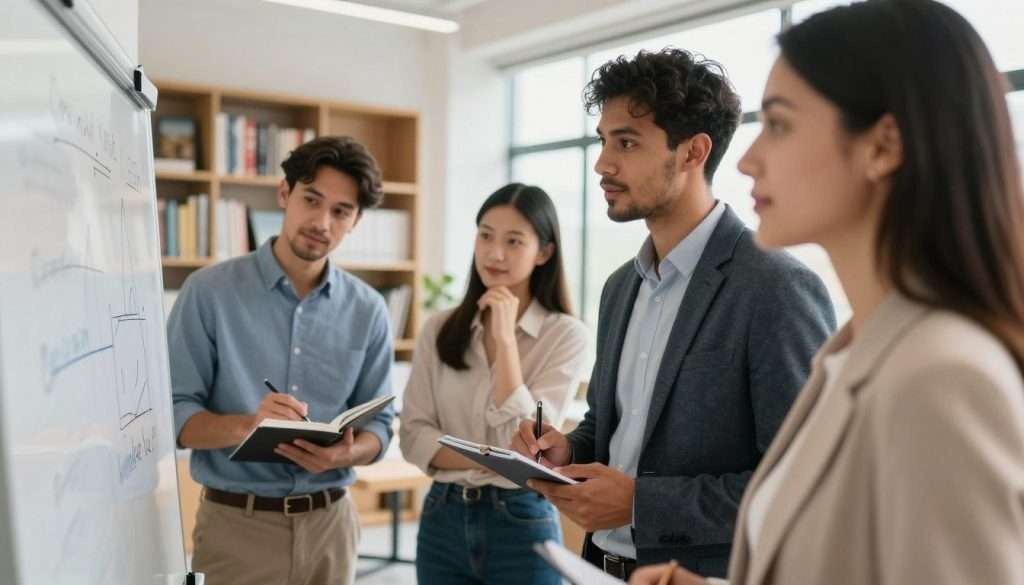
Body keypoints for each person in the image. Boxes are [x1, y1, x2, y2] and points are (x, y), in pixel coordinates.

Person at [630, 2, 1024, 584]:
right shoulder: (852, 351)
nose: (747, 158)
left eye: (781, 124)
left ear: (883, 146)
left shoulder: (942, 377)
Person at [511, 48, 835, 578]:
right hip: (599, 565)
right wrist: (566, 450)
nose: (603, 163)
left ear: (692, 152)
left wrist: (642, 503)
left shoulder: (775, 287)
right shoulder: (621, 287)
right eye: (603, 141)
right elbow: (610, 427)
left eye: (627, 143)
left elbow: (805, 481)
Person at [169, 136, 395, 585]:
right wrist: (247, 426)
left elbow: (383, 423)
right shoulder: (208, 292)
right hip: (237, 528)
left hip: (333, 524)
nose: (321, 221)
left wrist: (351, 452)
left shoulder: (369, 309)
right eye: (311, 200)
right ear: (284, 194)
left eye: (341, 211)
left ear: (357, 221)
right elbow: (175, 414)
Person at [400, 183, 589, 585]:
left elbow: (531, 448)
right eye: (485, 235)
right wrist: (495, 457)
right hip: (441, 516)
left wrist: (505, 341)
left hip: (521, 519)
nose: (494, 252)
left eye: (513, 241)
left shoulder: (566, 335)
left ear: (544, 252)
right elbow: (414, 437)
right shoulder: (439, 328)